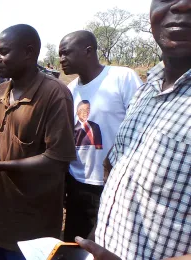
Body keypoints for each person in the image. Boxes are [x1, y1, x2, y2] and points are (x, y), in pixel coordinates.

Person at [75, 0, 191, 259]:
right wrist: (96, 237)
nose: (182, 5)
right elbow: (118, 173)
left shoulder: (123, 79)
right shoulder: (146, 91)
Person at [0, 24, 76, 259]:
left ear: (29, 52)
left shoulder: (54, 95)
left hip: (31, 227)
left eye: (3, 52)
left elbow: (57, 159)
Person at [58, 30, 143, 242]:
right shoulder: (69, 91)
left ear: (88, 51)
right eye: (59, 54)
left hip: (115, 184)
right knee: (76, 243)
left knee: (110, 243)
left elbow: (140, 126)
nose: (61, 59)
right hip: (78, 182)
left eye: (66, 53)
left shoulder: (122, 78)